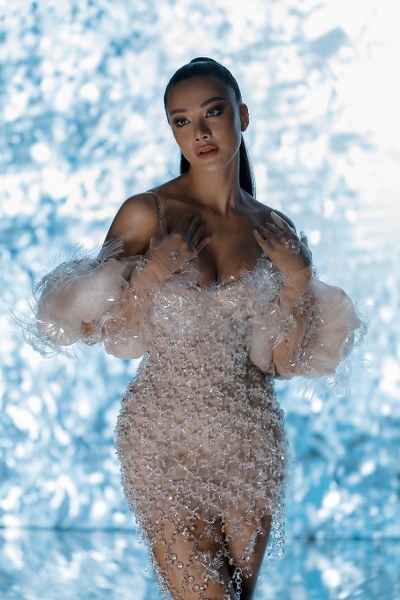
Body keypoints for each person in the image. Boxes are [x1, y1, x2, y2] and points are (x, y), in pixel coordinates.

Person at [26, 58, 363, 600]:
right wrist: (151, 273)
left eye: (213, 112)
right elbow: (97, 330)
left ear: (242, 116)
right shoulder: (148, 212)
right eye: (181, 121)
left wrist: (299, 280)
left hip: (250, 440)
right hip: (164, 438)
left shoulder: (274, 227)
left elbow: (282, 362)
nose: (200, 132)